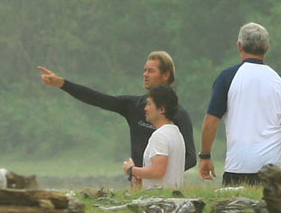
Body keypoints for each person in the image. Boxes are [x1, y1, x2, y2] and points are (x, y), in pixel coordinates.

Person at [37, 53, 196, 174]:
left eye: (151, 71)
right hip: (136, 185)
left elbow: (190, 158)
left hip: (158, 183)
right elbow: (98, 99)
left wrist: (156, 173)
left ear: (166, 75)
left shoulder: (179, 114)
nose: (145, 74)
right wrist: (62, 84)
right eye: (144, 70)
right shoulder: (134, 106)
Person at [197, 23, 281, 186]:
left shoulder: (227, 78)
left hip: (239, 165)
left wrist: (205, 156)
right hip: (275, 166)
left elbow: (211, 122)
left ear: (239, 46)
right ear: (267, 48)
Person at [123, 89, 188, 191]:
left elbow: (158, 171)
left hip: (159, 199)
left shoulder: (160, 135)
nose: (145, 108)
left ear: (162, 109)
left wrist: (131, 170)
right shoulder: (176, 133)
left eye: (149, 104)